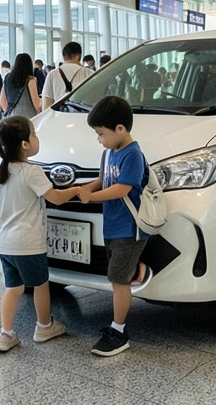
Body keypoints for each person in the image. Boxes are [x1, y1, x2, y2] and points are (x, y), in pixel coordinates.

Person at [0, 116, 76, 352]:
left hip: (6, 245)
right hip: (29, 244)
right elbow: (55, 197)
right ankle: (44, 326)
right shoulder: (31, 171)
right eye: (34, 134)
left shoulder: (0, 172)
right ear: (25, 144)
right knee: (40, 284)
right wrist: (77, 189)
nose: (37, 138)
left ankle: (6, 334)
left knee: (13, 288)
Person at [76, 96, 147, 357]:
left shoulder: (133, 155)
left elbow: (122, 188)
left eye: (101, 134)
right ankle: (136, 268)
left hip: (129, 228)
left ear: (120, 129)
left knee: (118, 280)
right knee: (117, 275)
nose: (99, 139)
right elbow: (103, 178)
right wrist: (86, 188)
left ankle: (119, 331)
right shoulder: (110, 153)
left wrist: (91, 197)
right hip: (113, 227)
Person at [41, 42, 93, 110]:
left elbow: (47, 101)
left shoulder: (52, 74)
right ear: (79, 56)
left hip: (60, 116)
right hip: (82, 115)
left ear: (63, 56)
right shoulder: (88, 73)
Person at [1, 53, 44, 120]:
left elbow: (3, 103)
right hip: (27, 119)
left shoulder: (7, 78)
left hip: (10, 119)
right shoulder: (30, 80)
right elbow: (37, 105)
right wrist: (43, 100)